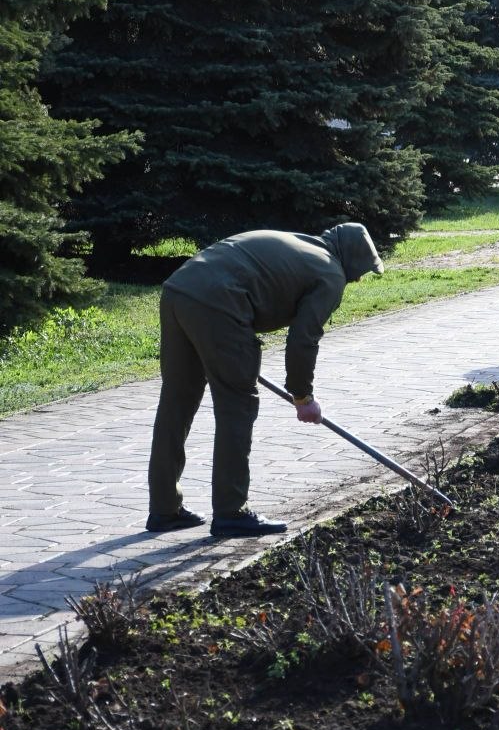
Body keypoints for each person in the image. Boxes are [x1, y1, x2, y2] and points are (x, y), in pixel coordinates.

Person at [145, 223, 384, 537]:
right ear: (354, 259)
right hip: (219, 300)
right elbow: (303, 339)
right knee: (237, 404)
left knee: (177, 401)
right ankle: (231, 512)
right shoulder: (331, 273)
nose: (358, 278)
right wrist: (303, 397)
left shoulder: (302, 243)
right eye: (363, 270)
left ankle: (165, 509)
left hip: (179, 289)